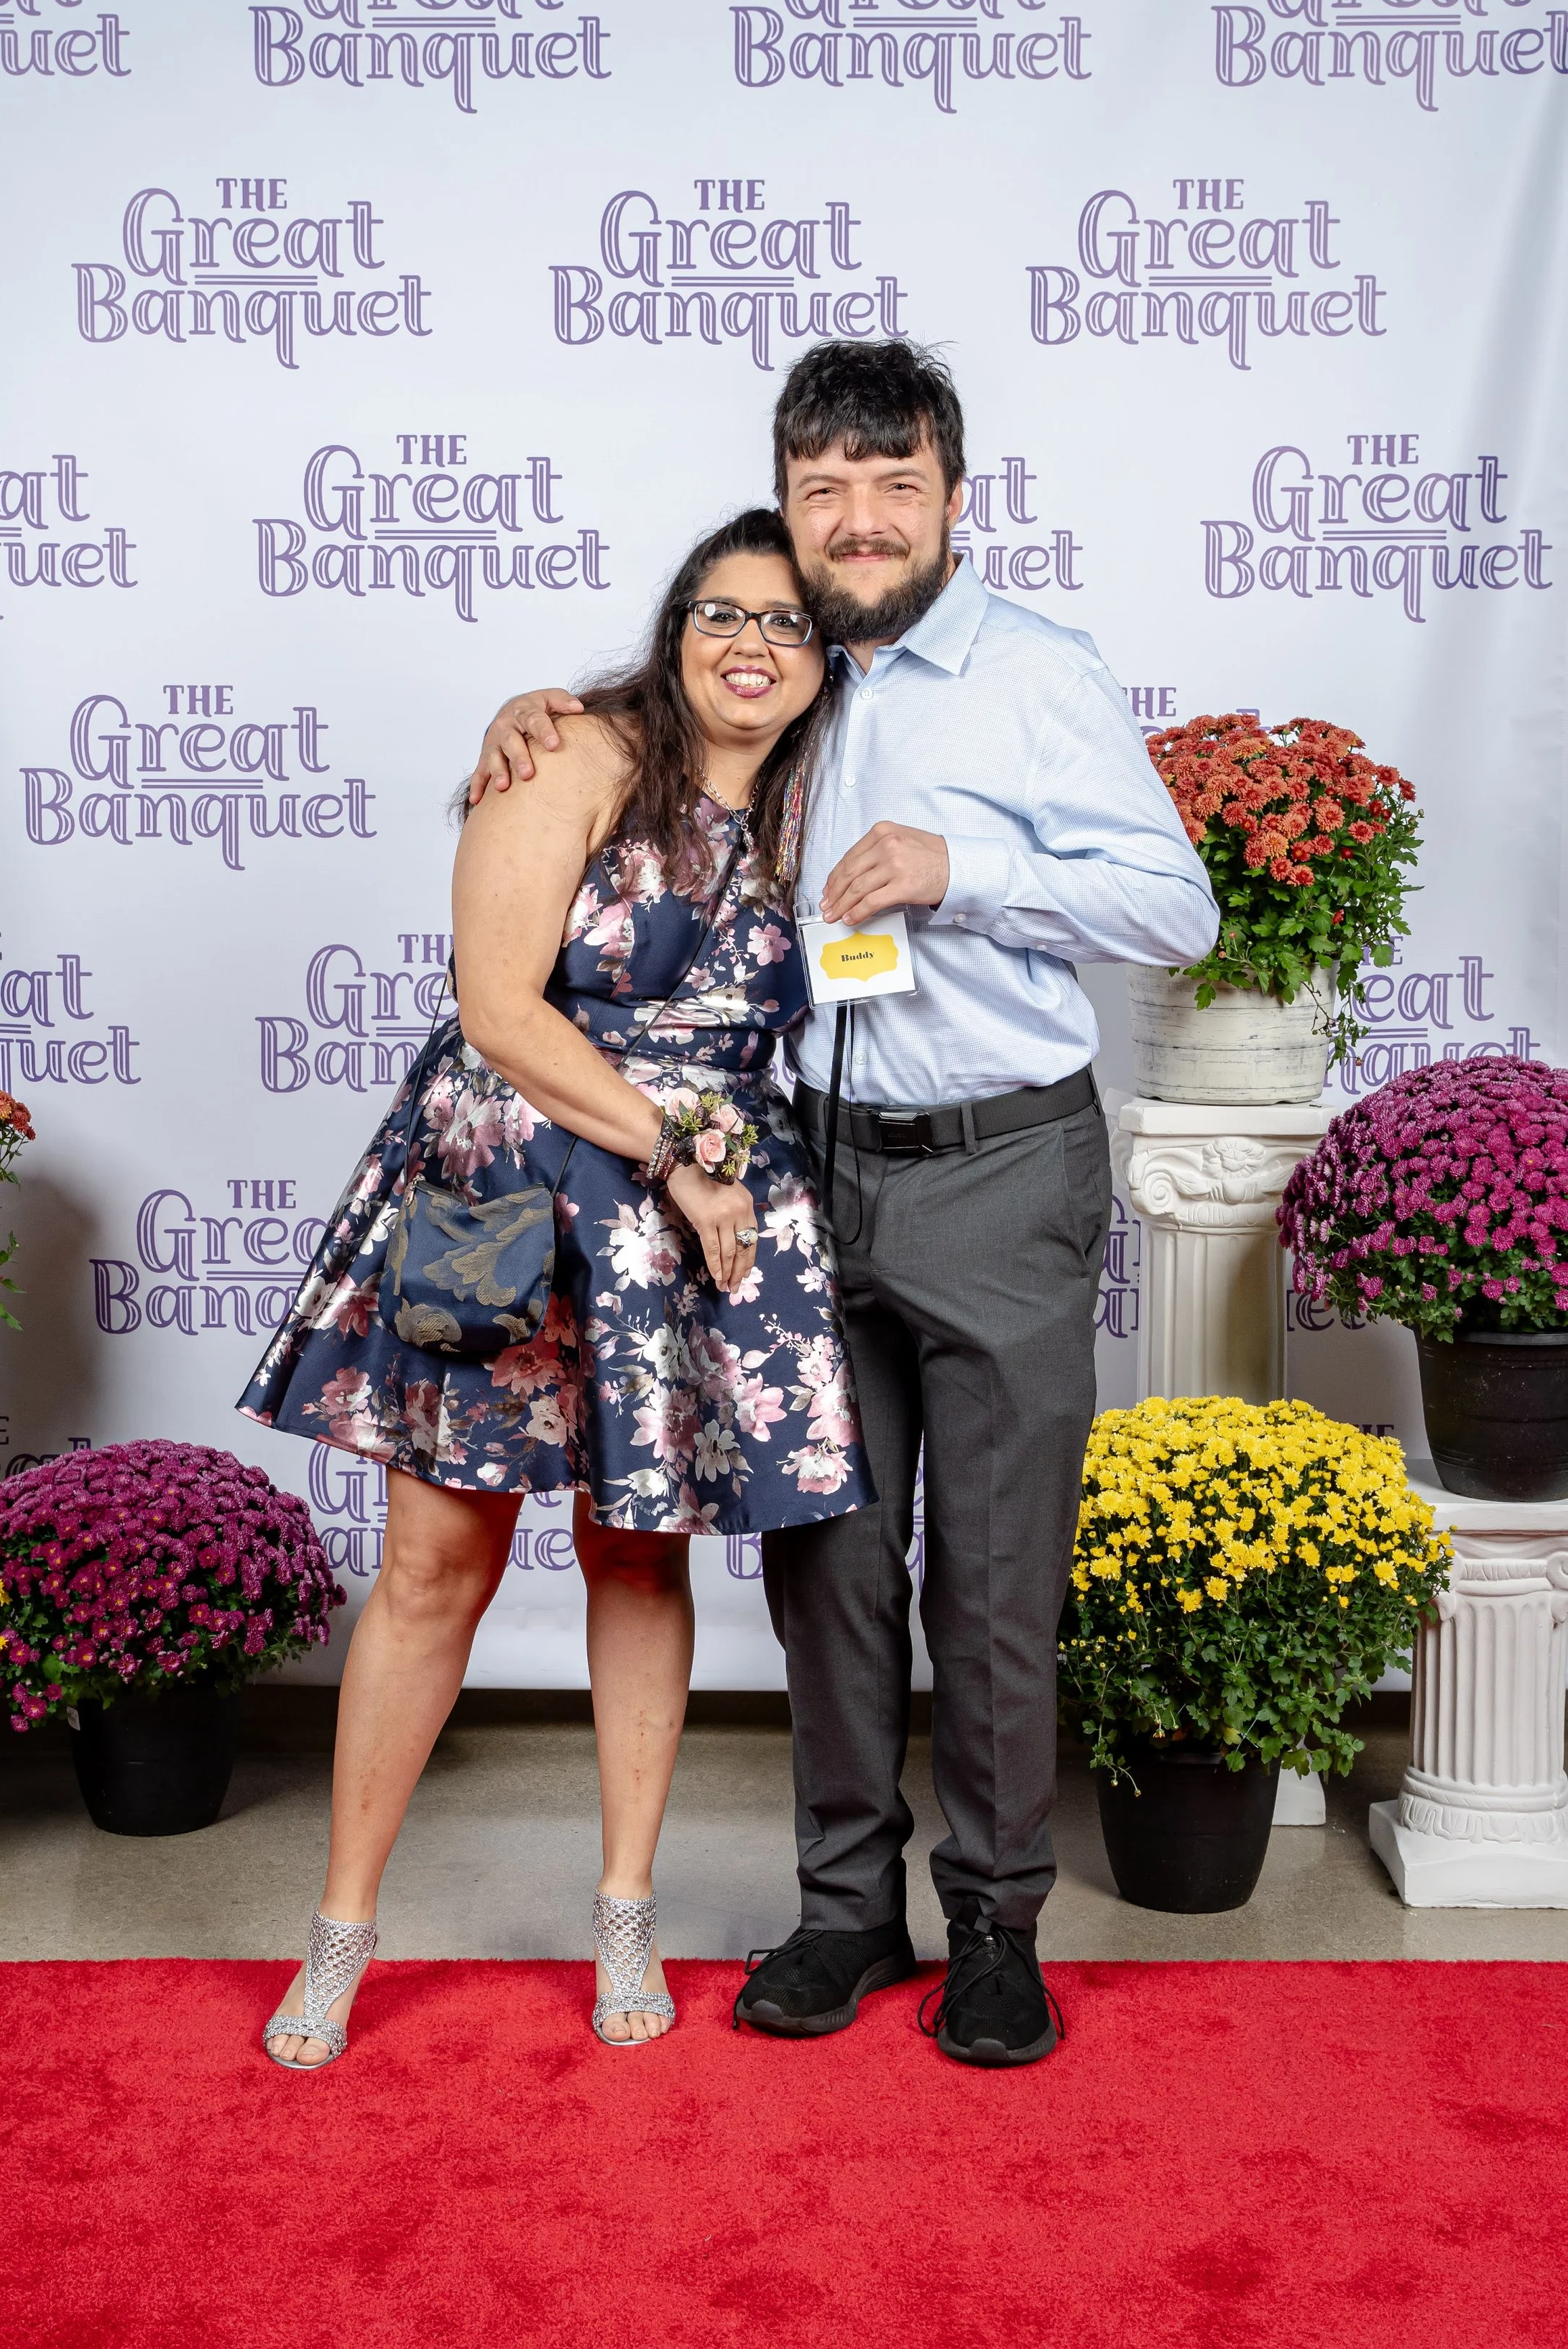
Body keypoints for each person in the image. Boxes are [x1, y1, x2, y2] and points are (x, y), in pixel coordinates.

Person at [471, 341, 1219, 2069]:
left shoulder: (1034, 673)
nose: (859, 520)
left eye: (894, 486)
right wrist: (533, 710)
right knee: (828, 1565)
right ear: (786, 508)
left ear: (955, 498)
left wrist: (970, 870)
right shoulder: (789, 674)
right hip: (803, 1171)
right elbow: (651, 730)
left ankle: (996, 1924)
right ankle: (841, 1909)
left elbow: (1172, 908)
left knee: (994, 1578)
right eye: (825, 490)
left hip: (999, 1169)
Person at [240, 506, 874, 2068]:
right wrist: (680, 1157)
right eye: (721, 614)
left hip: (694, 1214)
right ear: (675, 628)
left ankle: (624, 1908)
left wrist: (713, 1174)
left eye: (787, 623)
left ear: (827, 654)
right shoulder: (577, 752)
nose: (752, 645)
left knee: (638, 1561)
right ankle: (341, 1928)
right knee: (434, 1567)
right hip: (523, 1189)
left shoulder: (833, 787)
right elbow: (497, 1008)